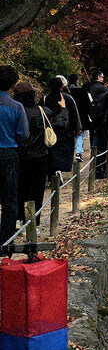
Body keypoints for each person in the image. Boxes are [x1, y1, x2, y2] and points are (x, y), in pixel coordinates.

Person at [0, 64, 28, 250]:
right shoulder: (16, 107)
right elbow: (23, 134)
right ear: (12, 85)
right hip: (9, 153)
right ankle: (6, 239)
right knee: (9, 199)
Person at [13, 83, 49, 225]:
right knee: (36, 191)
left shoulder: (15, 110)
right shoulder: (41, 110)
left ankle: (18, 219)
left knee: (18, 189)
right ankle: (34, 222)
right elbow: (60, 122)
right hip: (39, 156)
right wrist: (63, 109)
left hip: (19, 155)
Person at [46, 75, 81, 175]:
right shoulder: (68, 98)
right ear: (62, 86)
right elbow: (74, 113)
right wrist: (78, 127)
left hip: (50, 129)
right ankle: (59, 170)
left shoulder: (45, 99)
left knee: (52, 150)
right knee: (64, 151)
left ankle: (52, 172)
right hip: (66, 129)